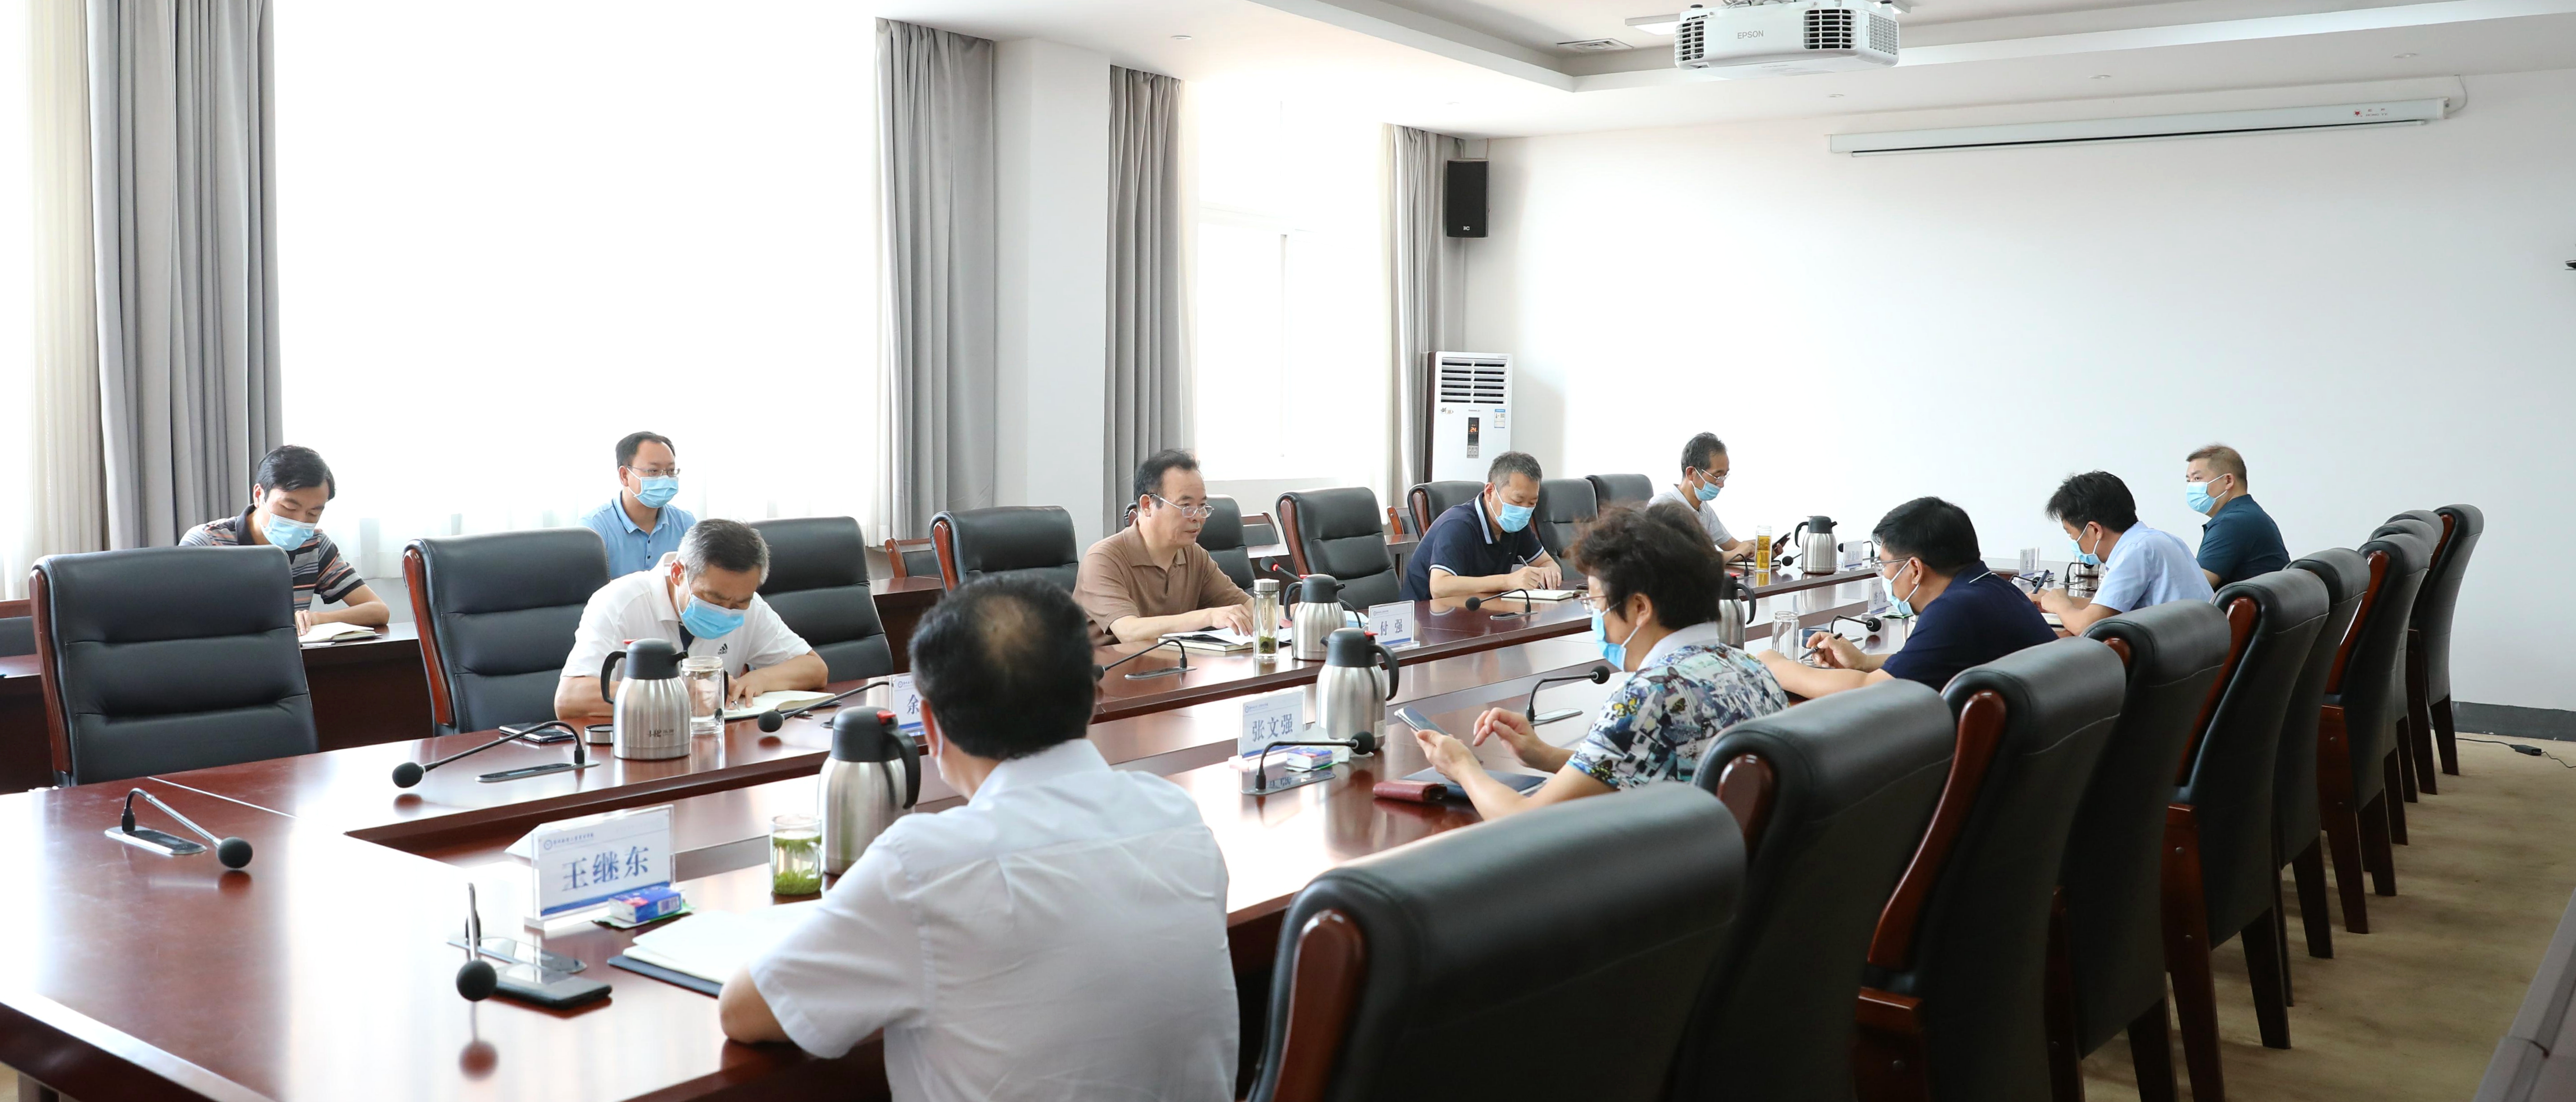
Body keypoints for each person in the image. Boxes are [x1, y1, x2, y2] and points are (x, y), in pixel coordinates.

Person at [718, 577, 1238, 1100]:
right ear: (1093, 698)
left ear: (928, 725)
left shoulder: (923, 865)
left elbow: (744, 1011)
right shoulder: (1177, 815)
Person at [1413, 502, 1787, 821]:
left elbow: (1524, 822)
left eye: (1596, 602)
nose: (1596, 617)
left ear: (1639, 608)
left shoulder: (1648, 698)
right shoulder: (1754, 670)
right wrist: (1545, 755)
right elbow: (1647, 762)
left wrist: (1462, 767)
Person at [1758, 497, 2055, 697]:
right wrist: (1863, 661)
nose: (1885, 577)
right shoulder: (1997, 590)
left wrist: (1776, 667)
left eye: (1885, 566)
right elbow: (1932, 659)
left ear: (1914, 569)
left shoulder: (1954, 610)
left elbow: (1870, 693)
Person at [555, 519, 826, 722]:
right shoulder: (619, 601)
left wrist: (761, 679)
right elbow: (570, 698)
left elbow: (815, 669)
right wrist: (677, 695)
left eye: (739, 604)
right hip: (638, 749)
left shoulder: (748, 602)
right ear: (678, 574)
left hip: (718, 745)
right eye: (714, 599)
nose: (726, 611)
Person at [180, 445, 391, 633]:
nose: (300, 521)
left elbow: (378, 610)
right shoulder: (207, 542)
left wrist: (316, 619)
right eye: (289, 508)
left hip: (290, 660)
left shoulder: (315, 545)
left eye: (313, 513)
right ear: (259, 495)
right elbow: (182, 619)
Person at [1075, 450, 1255, 646]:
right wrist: (1208, 617)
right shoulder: (1104, 558)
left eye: (1202, 506)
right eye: (1186, 506)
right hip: (1110, 665)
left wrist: (1280, 613)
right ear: (1147, 505)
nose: (1198, 517)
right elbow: (1128, 631)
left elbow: (1247, 606)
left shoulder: (1194, 555)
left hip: (1172, 662)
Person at [2038, 470, 2213, 635]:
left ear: (2095, 530)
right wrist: (2055, 600)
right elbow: (2109, 605)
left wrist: (2061, 606)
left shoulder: (2135, 552)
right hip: (2201, 645)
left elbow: (2087, 627)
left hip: (2176, 651)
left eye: (2071, 533)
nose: (2073, 540)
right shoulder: (2159, 540)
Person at [1400, 451, 1565, 602]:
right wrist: (1507, 581)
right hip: (1426, 617)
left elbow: (1547, 563)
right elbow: (1439, 588)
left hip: (1478, 611)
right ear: (1490, 491)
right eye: (1517, 501)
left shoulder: (1516, 526)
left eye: (1532, 503)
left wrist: (1549, 573)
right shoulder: (1458, 525)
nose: (1524, 510)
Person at [580, 431, 698, 578]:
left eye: (670, 471)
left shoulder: (686, 524)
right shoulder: (594, 528)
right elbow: (588, 587)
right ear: (624, 475)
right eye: (654, 471)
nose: (665, 478)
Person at [2186, 443, 2288, 588]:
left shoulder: (2232, 523)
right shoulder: (2247, 514)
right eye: (2188, 481)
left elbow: (2195, 589)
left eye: (2197, 479)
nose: (2191, 487)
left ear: (2228, 481)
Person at [1647, 432, 1754, 562]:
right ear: (1691, 473)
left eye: (1724, 476)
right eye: (1717, 476)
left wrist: (1759, 551)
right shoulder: (1662, 506)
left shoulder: (1704, 509)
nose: (1721, 484)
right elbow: (1684, 558)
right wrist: (1734, 554)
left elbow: (1733, 546)